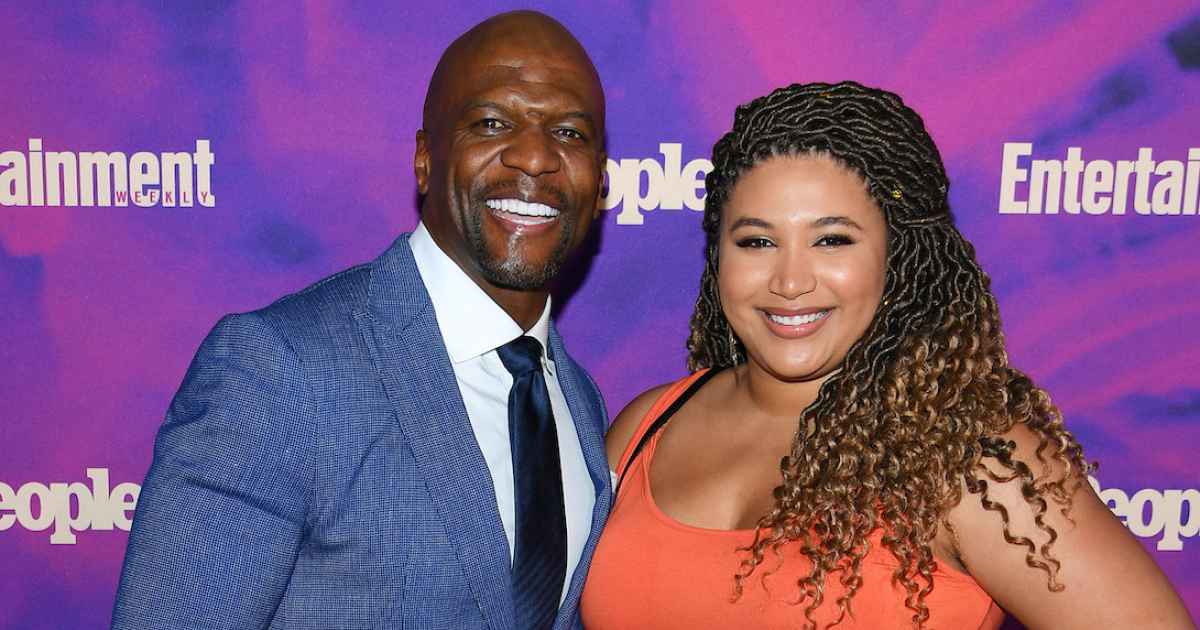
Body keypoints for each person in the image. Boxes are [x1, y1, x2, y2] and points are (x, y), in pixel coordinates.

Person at [581, 82, 1194, 629]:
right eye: (758, 241)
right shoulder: (646, 426)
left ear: (898, 257)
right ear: (719, 256)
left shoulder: (968, 459)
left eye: (832, 240)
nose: (790, 281)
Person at [112, 11, 612, 630]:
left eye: (568, 132)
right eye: (491, 123)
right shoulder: (278, 370)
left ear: (599, 181)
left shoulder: (580, 402)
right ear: (425, 159)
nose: (535, 156)